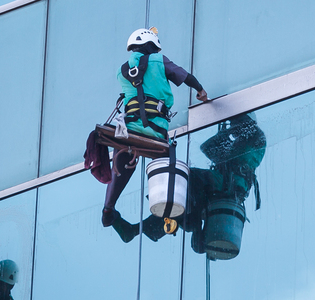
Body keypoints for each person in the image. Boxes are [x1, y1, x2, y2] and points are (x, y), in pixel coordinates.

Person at [107, 113, 266, 259]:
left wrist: (224, 134)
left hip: (228, 184)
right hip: (226, 186)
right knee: (185, 191)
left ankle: (190, 224)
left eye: (233, 121)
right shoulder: (251, 139)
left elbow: (210, 149)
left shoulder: (255, 138)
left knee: (187, 179)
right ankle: (144, 229)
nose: (231, 124)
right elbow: (215, 151)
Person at [101, 27, 211, 228]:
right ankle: (170, 207)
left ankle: (108, 207)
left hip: (128, 131)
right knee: (168, 166)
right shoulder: (159, 61)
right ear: (151, 45)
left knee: (123, 162)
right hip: (156, 133)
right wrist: (201, 91)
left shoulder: (122, 70)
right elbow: (185, 77)